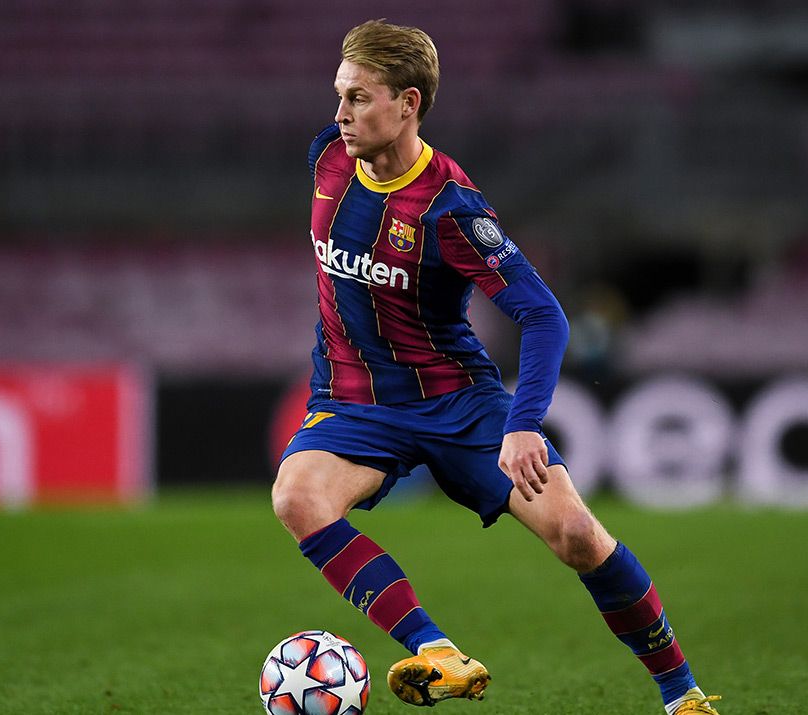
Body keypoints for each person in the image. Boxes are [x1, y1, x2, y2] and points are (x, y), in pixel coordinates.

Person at [271, 19, 722, 714]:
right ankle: (436, 650)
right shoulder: (328, 157)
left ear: (409, 104)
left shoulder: (451, 209)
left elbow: (545, 315)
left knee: (577, 536)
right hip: (355, 401)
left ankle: (682, 693)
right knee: (297, 498)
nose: (339, 115)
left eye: (358, 98)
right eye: (339, 95)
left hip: (459, 404)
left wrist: (523, 424)